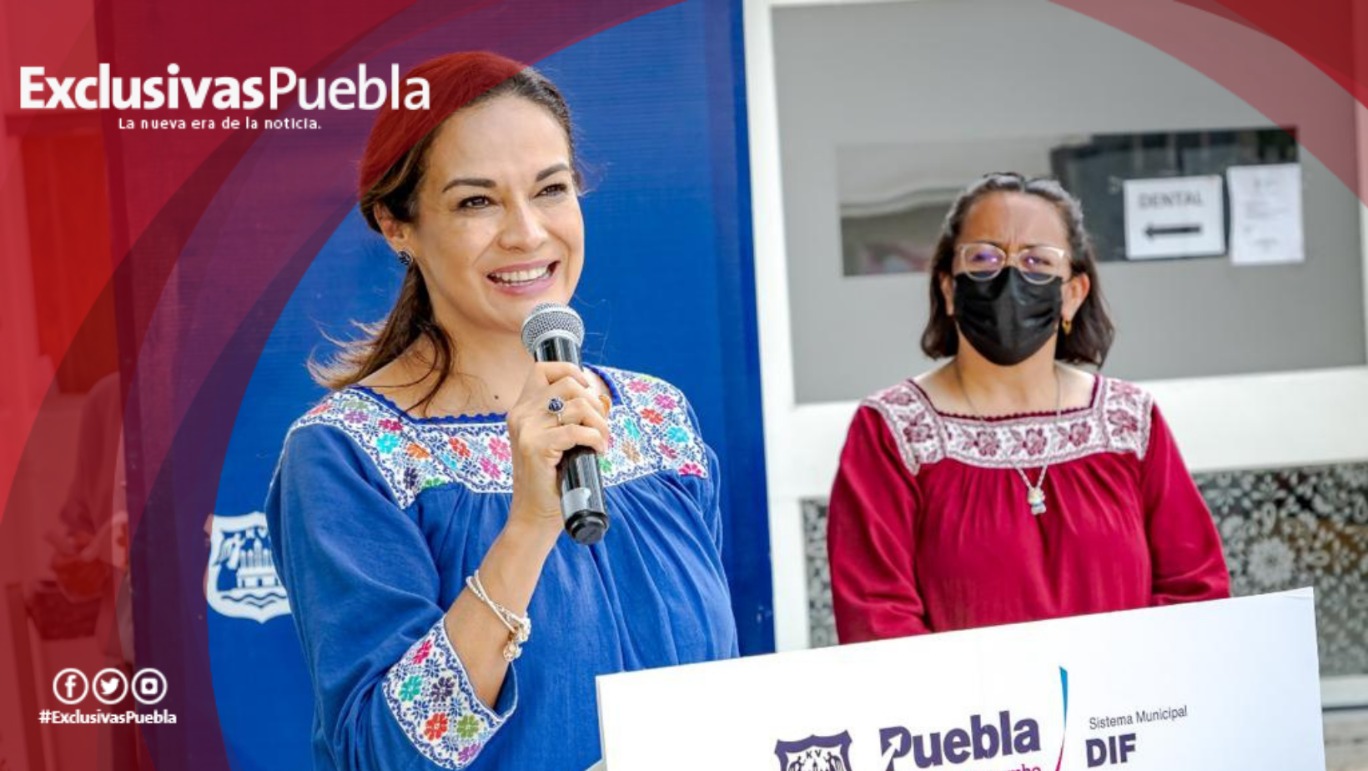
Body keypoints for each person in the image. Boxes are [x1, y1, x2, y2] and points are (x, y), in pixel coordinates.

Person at [264, 51, 737, 771]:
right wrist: (528, 527)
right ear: (397, 224)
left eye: (551, 189)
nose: (526, 233)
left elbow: (721, 695)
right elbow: (381, 755)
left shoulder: (658, 417)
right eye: (476, 202)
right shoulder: (346, 454)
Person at [827, 172, 1230, 643]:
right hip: (969, 696)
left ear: (1073, 293)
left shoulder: (1130, 419)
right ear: (949, 288)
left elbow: (1195, 588)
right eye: (984, 257)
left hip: (1123, 691)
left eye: (1037, 260)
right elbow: (877, 617)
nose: (1010, 277)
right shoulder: (892, 430)